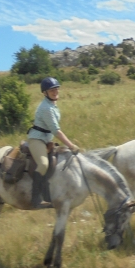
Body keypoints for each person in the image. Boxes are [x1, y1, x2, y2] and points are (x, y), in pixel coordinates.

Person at [26, 77, 80, 209]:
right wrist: (71, 145)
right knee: (43, 164)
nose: (55, 91)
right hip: (37, 139)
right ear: (45, 92)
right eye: (51, 90)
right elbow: (56, 131)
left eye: (56, 89)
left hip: (46, 139)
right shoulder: (46, 108)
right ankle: (36, 198)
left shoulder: (52, 105)